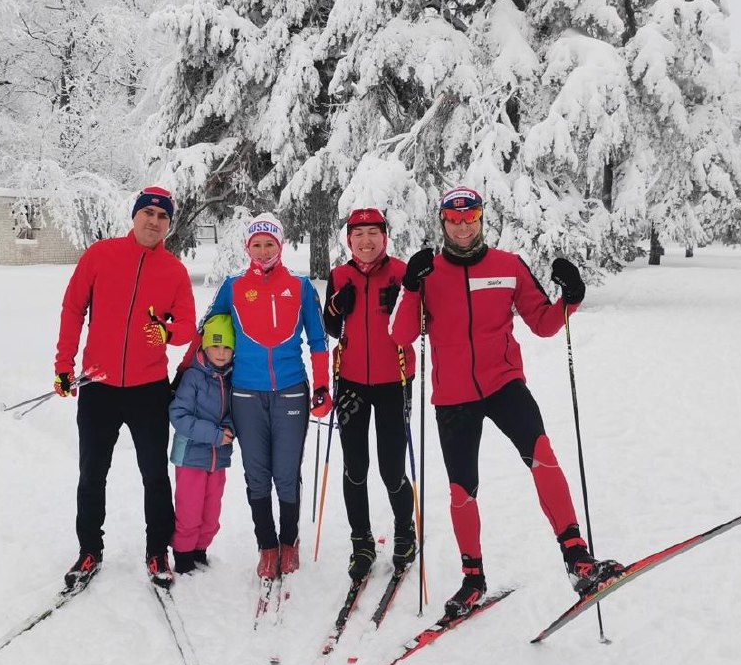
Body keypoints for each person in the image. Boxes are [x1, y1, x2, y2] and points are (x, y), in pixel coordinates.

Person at [391, 185, 623, 618]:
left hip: (504, 384)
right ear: (443, 222)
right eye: (454, 220)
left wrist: (569, 298)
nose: (463, 227)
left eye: (470, 218)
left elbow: (544, 324)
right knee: (463, 488)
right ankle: (473, 578)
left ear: (481, 219)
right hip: (454, 396)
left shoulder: (508, 266)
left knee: (543, 456)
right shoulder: (428, 274)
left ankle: (577, 558)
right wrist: (409, 286)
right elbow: (402, 336)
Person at [53, 186, 196, 592]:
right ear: (134, 216)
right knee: (92, 473)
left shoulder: (174, 271)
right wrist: (64, 365)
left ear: (169, 225)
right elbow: (72, 308)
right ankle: (89, 550)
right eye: (147, 213)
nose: (154, 221)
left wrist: (165, 332)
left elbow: (187, 326)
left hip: (148, 389)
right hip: (98, 385)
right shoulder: (101, 255)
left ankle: (157, 550)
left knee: (154, 474)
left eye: (162, 216)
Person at [203, 213, 331, 579]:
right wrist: (192, 372)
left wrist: (322, 385)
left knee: (286, 473)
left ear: (281, 245)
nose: (262, 251)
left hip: (291, 390)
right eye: (256, 244)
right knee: (256, 473)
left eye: (269, 244)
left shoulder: (302, 287)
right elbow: (210, 331)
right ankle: (267, 545)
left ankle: (289, 541)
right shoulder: (233, 286)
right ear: (248, 247)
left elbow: (318, 341)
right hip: (245, 392)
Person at [323, 207, 418, 583]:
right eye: (358, 235)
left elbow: (420, 325)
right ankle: (361, 540)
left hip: (395, 379)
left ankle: (404, 531)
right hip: (350, 382)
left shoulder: (401, 272)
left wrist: (405, 301)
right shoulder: (339, 275)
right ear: (349, 240)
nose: (366, 241)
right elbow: (332, 327)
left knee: (391, 467)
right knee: (355, 466)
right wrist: (336, 306)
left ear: (385, 237)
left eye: (373, 234)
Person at [168, 314, 236, 575]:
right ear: (205, 346)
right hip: (191, 457)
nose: (220, 353)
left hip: (218, 459)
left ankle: (200, 550)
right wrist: (215, 435)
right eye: (215, 346)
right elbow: (179, 416)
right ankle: (184, 556)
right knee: (190, 512)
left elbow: (235, 411)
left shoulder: (232, 378)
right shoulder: (193, 377)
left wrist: (231, 428)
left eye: (227, 347)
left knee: (211, 513)